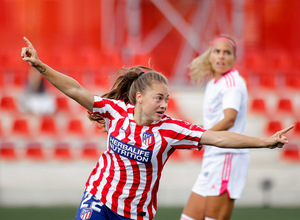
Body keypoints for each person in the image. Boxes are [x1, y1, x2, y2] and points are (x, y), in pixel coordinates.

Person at [21, 37, 292, 220]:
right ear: (138, 97)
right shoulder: (115, 111)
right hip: (99, 198)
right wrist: (39, 64)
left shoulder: (171, 129)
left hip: (137, 213)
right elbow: (75, 89)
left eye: (167, 99)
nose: (164, 105)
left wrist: (264, 142)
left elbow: (218, 137)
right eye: (158, 98)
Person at [181, 35, 250, 220]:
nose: (221, 56)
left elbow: (229, 120)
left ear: (234, 59)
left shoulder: (232, 82)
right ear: (209, 56)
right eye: (217, 51)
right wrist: (192, 133)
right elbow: (214, 123)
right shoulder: (214, 83)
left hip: (226, 156)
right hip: (213, 156)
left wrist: (201, 136)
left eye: (227, 52)